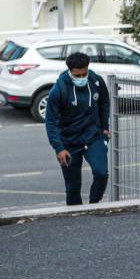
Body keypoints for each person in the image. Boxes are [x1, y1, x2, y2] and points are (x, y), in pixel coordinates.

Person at [45, 52, 111, 206]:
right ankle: (75, 217)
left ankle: (94, 205)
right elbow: (51, 121)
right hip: (68, 142)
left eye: (84, 74)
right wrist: (59, 148)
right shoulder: (59, 89)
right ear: (70, 71)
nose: (82, 78)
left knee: (102, 174)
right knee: (73, 187)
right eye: (78, 75)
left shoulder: (96, 81)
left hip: (94, 137)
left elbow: (104, 104)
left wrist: (105, 128)